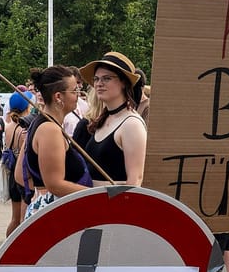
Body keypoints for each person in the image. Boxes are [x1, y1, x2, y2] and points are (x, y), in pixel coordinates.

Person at [24, 66, 90, 215]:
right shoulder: (50, 130)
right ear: (58, 97)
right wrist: (97, 194)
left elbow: (19, 175)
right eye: (74, 91)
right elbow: (55, 184)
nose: (78, 95)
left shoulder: (38, 123)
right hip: (54, 213)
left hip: (44, 208)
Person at [77, 51, 148, 186]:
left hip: (114, 205)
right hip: (93, 203)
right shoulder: (104, 119)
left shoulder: (131, 124)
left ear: (123, 83)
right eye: (96, 79)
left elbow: (135, 183)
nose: (99, 84)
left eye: (106, 78)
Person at [0, 91, 32, 237]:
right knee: (23, 220)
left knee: (14, 219)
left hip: (13, 174)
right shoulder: (23, 129)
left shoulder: (9, 126)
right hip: (23, 177)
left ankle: (6, 248)